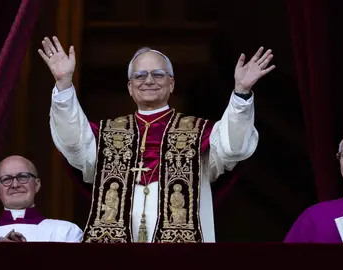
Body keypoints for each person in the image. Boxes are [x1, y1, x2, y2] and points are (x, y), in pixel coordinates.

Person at [39, 36, 275, 243]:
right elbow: (74, 144)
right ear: (130, 87)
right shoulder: (108, 134)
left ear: (171, 83)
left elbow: (234, 147)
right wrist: (64, 84)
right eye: (140, 75)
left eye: (158, 74)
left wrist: (241, 92)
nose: (149, 80)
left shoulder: (199, 132)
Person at [0, 155, 83, 242]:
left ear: (37, 185)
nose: (15, 185)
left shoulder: (66, 233)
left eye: (22, 177)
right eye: (6, 179)